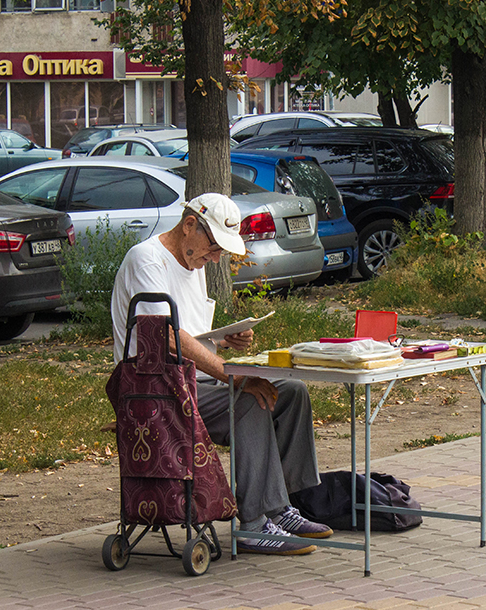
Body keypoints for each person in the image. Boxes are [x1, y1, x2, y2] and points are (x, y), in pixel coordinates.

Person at [111, 192, 332, 555]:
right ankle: (255, 523)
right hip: (157, 390)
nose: (215, 258)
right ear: (188, 226)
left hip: (191, 382)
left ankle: (286, 505)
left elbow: (191, 337)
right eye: (214, 248)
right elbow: (166, 335)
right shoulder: (147, 259)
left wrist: (225, 341)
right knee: (249, 401)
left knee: (291, 392)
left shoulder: (192, 261)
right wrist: (236, 377)